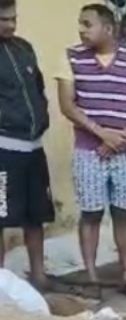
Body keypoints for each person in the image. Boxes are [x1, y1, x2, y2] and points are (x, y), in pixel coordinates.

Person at [56, 3, 126, 299]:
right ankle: (92, 279)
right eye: (80, 24)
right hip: (89, 152)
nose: (81, 30)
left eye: (87, 24)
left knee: (123, 214)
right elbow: (67, 106)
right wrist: (103, 135)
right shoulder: (71, 57)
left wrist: (121, 138)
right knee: (90, 214)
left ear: (109, 28)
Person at [0, 0, 54, 290]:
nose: (10, 25)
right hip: (3, 150)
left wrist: (43, 114)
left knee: (36, 215)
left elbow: (39, 89)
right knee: (0, 216)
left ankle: (39, 275)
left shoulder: (24, 48)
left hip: (33, 148)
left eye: (13, 19)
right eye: (3, 20)